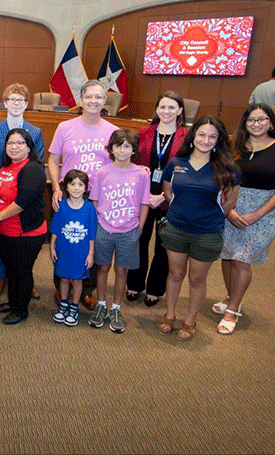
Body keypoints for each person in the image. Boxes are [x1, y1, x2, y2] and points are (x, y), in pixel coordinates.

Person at [157, 116, 240, 341]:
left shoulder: (227, 167)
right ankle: (170, 315)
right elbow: (168, 193)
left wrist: (208, 219)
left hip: (207, 233)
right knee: (175, 274)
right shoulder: (176, 163)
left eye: (212, 136)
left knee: (196, 280)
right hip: (176, 228)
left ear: (218, 140)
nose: (206, 140)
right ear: (193, 137)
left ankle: (190, 321)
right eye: (202, 134)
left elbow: (230, 203)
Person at [216, 105, 275, 334]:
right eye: (251, 120)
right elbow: (223, 178)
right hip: (232, 206)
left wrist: (257, 214)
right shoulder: (233, 146)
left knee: (242, 258)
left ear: (271, 122)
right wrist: (228, 210)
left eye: (262, 120)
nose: (256, 124)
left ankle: (233, 309)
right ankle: (230, 297)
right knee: (227, 255)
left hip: (265, 211)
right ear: (244, 123)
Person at [48, 80, 118, 310]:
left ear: (104, 101)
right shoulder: (65, 127)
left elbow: (121, 163)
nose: (93, 101)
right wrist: (57, 189)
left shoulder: (112, 132)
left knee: (92, 243)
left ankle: (87, 291)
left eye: (99, 97)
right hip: (68, 197)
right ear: (81, 100)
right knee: (65, 240)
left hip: (98, 199)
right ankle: (62, 287)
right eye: (89, 97)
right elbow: (52, 159)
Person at [126, 91, 188, 307]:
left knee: (163, 246)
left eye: (172, 107)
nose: (166, 112)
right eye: (162, 107)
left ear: (180, 110)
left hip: (171, 198)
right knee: (139, 240)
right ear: (157, 109)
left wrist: (162, 196)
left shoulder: (187, 137)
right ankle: (134, 283)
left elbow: (187, 170)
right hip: (142, 197)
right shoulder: (143, 132)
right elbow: (128, 159)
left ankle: (155, 289)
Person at [88, 129, 150, 333]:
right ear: (111, 149)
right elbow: (95, 201)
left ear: (134, 150)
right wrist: (96, 227)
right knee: (102, 268)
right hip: (104, 228)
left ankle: (116, 308)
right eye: (117, 145)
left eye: (127, 146)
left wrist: (139, 229)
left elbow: (143, 204)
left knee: (122, 270)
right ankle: (101, 304)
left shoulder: (141, 174)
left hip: (129, 230)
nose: (122, 150)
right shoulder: (101, 172)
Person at [0, 83, 45, 299]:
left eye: (20, 100)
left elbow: (37, 162)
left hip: (24, 194)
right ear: (5, 103)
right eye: (12, 99)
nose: (16, 104)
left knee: (25, 239)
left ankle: (24, 277)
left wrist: (20, 185)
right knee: (0, 233)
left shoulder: (36, 132)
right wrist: (2, 181)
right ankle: (1, 276)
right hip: (1, 190)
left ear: (27, 104)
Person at [0, 129, 47, 324]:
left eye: (20, 143)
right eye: (10, 143)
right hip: (4, 230)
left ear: (29, 147)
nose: (14, 146)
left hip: (25, 232)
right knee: (11, 270)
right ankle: (13, 303)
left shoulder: (32, 168)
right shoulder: (6, 168)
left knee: (22, 271)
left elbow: (23, 201)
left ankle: (21, 310)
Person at [50, 170, 97, 327]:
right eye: (72, 184)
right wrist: (51, 247)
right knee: (63, 278)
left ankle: (74, 307)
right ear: (66, 187)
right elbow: (55, 229)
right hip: (63, 249)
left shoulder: (90, 208)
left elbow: (91, 233)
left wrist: (91, 254)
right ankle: (64, 304)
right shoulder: (61, 206)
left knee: (77, 280)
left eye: (80, 184)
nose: (76, 188)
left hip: (81, 252)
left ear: (85, 188)